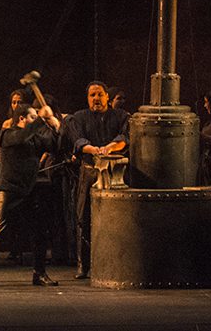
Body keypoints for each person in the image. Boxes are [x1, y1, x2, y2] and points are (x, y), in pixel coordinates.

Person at [0, 92, 61, 287]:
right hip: (9, 190)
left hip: (28, 190)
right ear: (22, 118)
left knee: (39, 232)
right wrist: (41, 119)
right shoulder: (9, 134)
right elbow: (22, 136)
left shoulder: (34, 137)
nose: (35, 120)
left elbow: (53, 146)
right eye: (32, 117)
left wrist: (55, 127)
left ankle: (39, 274)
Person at [59, 81, 129, 280]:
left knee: (117, 218)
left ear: (107, 96)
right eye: (92, 95)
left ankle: (116, 262)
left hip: (116, 172)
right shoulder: (80, 117)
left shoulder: (121, 116)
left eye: (99, 94)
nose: (96, 99)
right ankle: (83, 265)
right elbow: (78, 140)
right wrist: (93, 149)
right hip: (90, 171)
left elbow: (125, 137)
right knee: (84, 218)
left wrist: (110, 147)